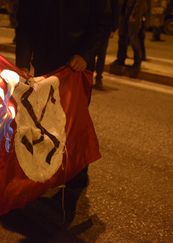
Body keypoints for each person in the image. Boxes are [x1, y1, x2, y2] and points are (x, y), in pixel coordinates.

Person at [16, 0, 108, 188]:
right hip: (46, 64)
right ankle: (51, 169)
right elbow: (26, 23)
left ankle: (76, 174)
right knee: (47, 121)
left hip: (76, 66)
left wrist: (85, 54)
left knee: (74, 122)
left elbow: (101, 22)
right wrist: (23, 63)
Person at [111, 0, 148, 78]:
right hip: (124, 11)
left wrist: (134, 14)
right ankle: (120, 59)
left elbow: (140, 2)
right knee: (122, 36)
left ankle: (137, 63)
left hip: (134, 13)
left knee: (133, 38)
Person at [94, 0, 120, 89]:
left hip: (105, 26)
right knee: (91, 53)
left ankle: (98, 78)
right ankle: (90, 78)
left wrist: (113, 28)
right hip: (95, 25)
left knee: (101, 53)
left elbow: (116, 9)